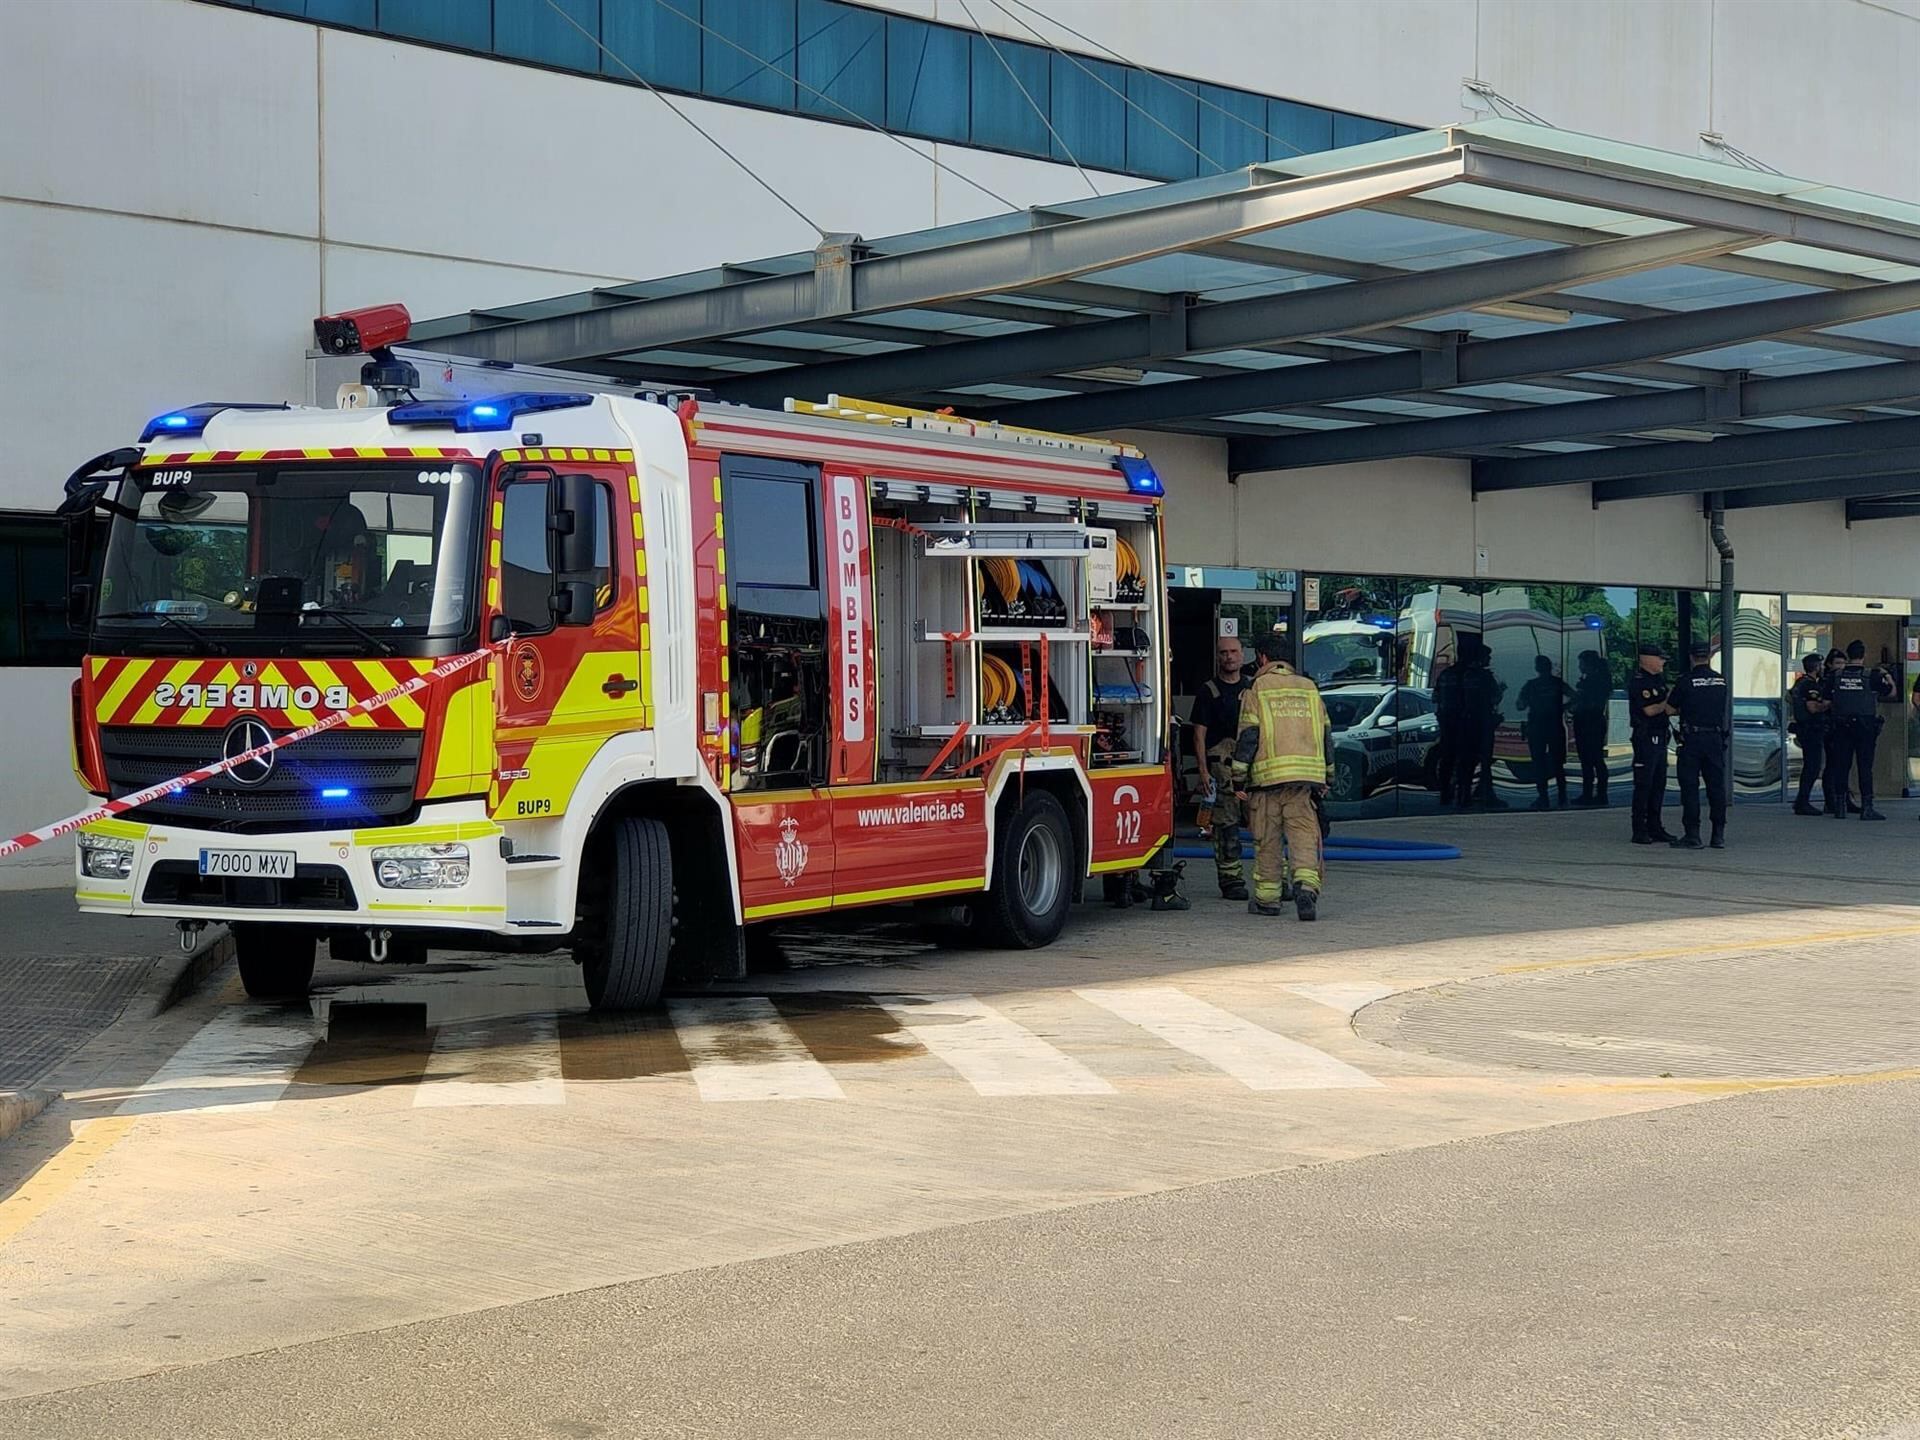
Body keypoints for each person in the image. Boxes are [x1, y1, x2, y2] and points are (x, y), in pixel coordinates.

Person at [1231, 632, 1332, 921]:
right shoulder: (1309, 688)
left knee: (1267, 842)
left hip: (1266, 785)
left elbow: (1248, 738)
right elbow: (1326, 736)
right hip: (1303, 784)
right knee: (1303, 838)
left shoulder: (1258, 688)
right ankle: (1306, 888)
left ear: (1262, 657)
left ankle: (1268, 900)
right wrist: (1328, 777)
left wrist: (1238, 779)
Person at [1189, 634, 1253, 900]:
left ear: (1242, 655)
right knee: (1226, 826)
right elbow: (1199, 734)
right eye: (1224, 652)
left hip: (1251, 767)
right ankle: (1231, 880)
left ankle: (1274, 879)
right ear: (1218, 657)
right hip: (1221, 770)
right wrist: (1203, 771)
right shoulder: (1208, 691)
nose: (1229, 657)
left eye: (1233, 652)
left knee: (1263, 824)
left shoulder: (1252, 689)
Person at [1823, 639, 1897, 821]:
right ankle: (1867, 807)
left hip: (1841, 726)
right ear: (1863, 656)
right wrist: (1888, 677)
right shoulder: (1871, 675)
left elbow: (1826, 701)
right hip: (1865, 727)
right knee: (1865, 767)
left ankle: (1840, 807)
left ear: (1848, 655)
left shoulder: (1836, 676)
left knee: (1841, 766)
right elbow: (1891, 693)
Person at [1669, 641, 1730, 849]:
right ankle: (1718, 835)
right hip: (1714, 738)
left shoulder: (1686, 681)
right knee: (1716, 787)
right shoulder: (1721, 680)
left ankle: (1693, 835)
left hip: (1693, 739)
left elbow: (1670, 709)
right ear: (1709, 656)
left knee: (1690, 787)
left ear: (1691, 657)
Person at [1628, 640, 1677, 845]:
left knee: (1659, 783)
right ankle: (1639, 828)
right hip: (1645, 737)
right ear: (1647, 659)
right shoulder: (1640, 682)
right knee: (1644, 784)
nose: (1663, 663)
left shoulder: (1658, 680)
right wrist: (1671, 699)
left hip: (1660, 735)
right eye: (1660, 659)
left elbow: (1668, 709)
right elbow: (1649, 710)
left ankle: (1655, 826)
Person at [1457, 638, 1508, 809]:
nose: (1490, 660)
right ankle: (1488, 795)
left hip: (1467, 723)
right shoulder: (1485, 677)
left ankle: (1464, 795)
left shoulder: (1465, 675)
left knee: (1468, 761)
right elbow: (1493, 698)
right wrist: (1501, 690)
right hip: (1483, 723)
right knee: (1485, 761)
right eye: (1488, 656)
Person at [1516, 654, 1572, 811]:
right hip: (1554, 726)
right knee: (1558, 763)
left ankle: (1543, 797)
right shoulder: (1557, 683)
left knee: (1539, 763)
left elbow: (1520, 705)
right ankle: (1562, 796)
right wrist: (1562, 708)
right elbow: (1575, 697)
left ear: (1537, 668)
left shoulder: (1531, 685)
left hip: (1537, 727)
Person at [1787, 653, 1830, 816]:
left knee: (1810, 766)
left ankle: (1801, 801)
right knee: (1812, 767)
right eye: (1821, 665)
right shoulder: (1811, 685)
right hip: (1811, 729)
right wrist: (1827, 705)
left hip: (1804, 728)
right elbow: (1813, 707)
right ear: (1816, 667)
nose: (1823, 668)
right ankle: (1802, 801)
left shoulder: (1799, 683)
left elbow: (1788, 698)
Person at [1570, 650, 1611, 807]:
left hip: (1590, 722)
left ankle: (1596, 794)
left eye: (1582, 663)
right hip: (1589, 721)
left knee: (1592, 759)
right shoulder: (1594, 680)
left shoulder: (1595, 682)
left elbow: (1589, 703)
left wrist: (1577, 706)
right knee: (1589, 760)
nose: (1580, 666)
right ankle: (1592, 793)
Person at [1820, 649, 1857, 815]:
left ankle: (1844, 799)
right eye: (1837, 663)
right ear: (1829, 664)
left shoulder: (1845, 679)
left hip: (1844, 726)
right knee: (1832, 765)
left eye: (1843, 663)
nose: (1840, 666)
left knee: (1844, 765)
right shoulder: (1826, 681)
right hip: (1829, 726)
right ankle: (1831, 801)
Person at [1431, 648, 1465, 807]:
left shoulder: (1445, 675)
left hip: (1446, 722)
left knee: (1447, 760)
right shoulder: (1466, 675)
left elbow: (1435, 698)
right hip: (1463, 723)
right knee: (1464, 759)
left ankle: (1446, 793)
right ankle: (1461, 794)